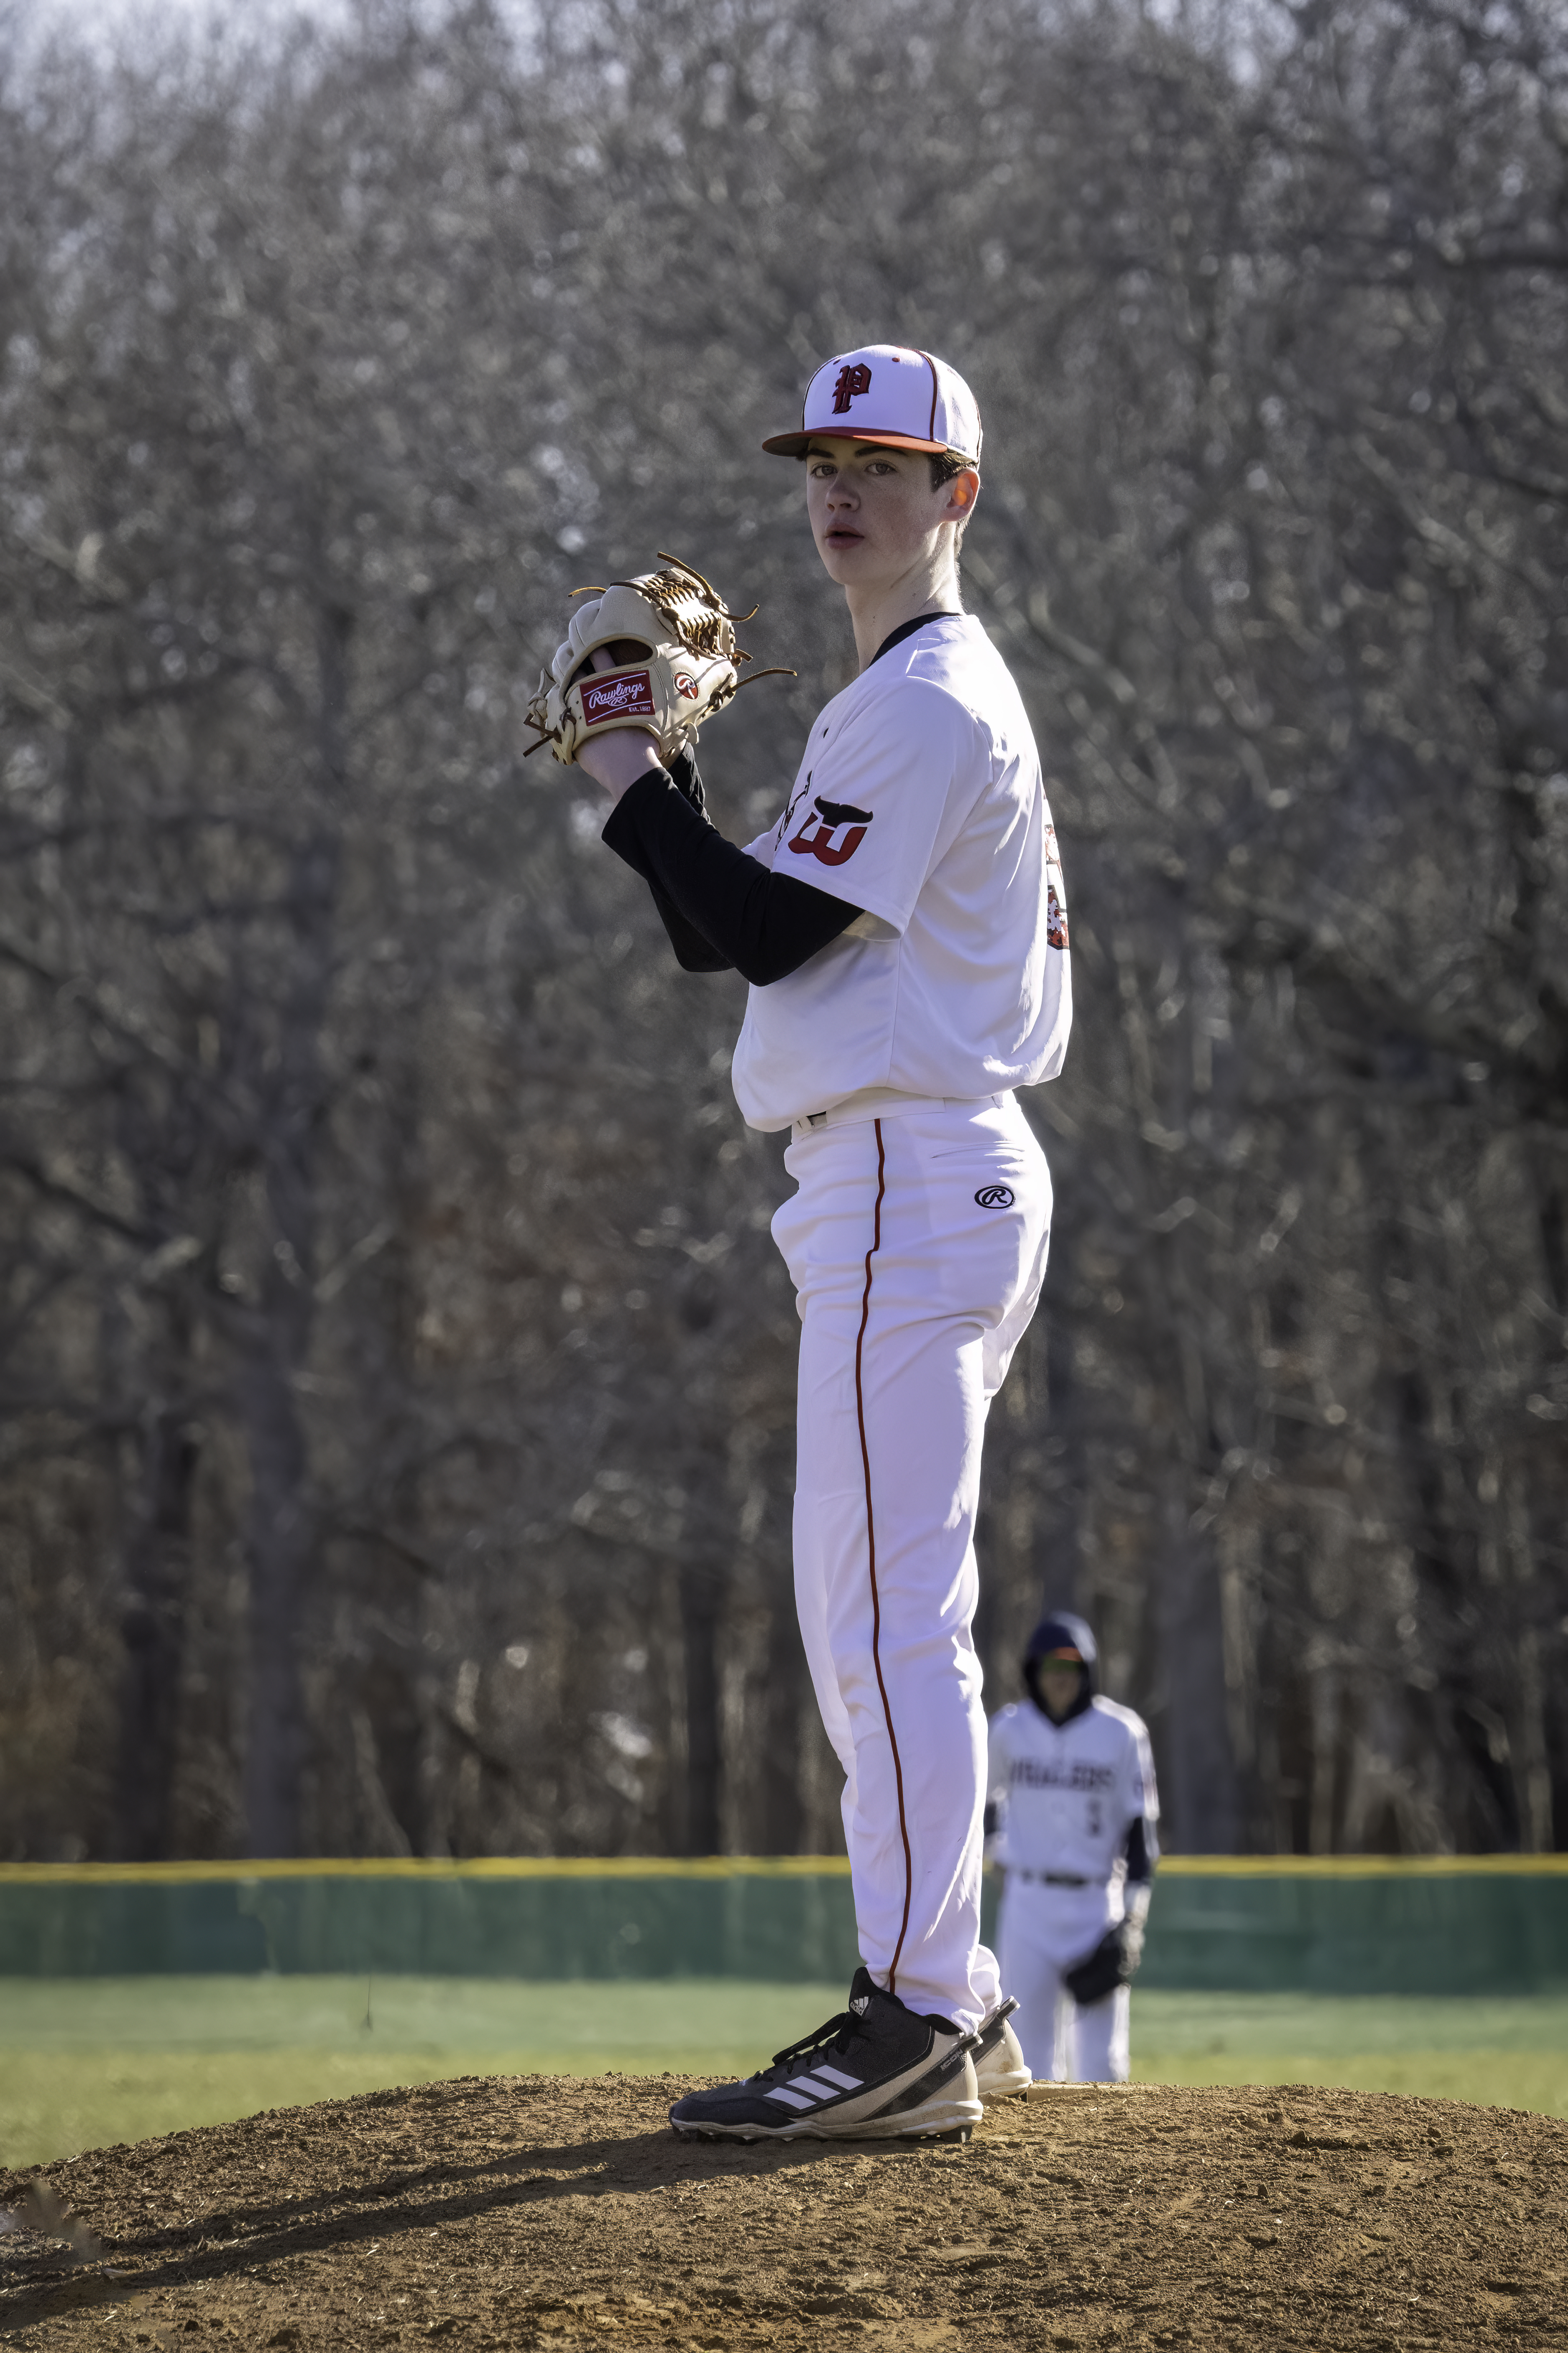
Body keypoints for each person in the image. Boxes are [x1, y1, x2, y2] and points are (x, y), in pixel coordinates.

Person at [568, 344, 1071, 2140]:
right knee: (872, 1611)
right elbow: (742, 935)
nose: (838, 487)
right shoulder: (895, 699)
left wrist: (632, 781)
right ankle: (953, 1989)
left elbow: (770, 940)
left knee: (878, 1619)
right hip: (908, 1177)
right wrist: (661, 800)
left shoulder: (925, 701)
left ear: (957, 495)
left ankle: (919, 2013)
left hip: (906, 1178)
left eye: (883, 459)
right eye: (819, 459)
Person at [985, 1611, 1159, 2086]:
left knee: (1104, 2062)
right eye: (1050, 1669)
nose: (1060, 1680)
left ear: (1087, 1672)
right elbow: (982, 1805)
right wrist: (995, 1852)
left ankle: (1105, 2160)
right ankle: (1037, 2161)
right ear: (1032, 1672)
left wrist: (1131, 1922)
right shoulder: (1008, 1729)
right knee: (1026, 2055)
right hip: (1028, 1905)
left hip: (1095, 1905)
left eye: (1071, 1668)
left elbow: (1141, 1837)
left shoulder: (1122, 1732)